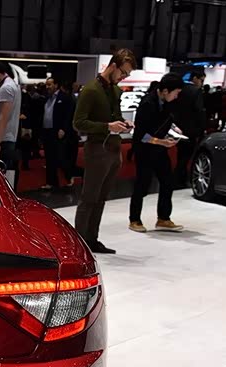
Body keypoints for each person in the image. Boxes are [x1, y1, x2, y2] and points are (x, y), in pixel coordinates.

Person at [72, 48, 137, 254]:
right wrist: (108, 127)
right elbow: (78, 123)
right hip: (97, 150)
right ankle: (80, 245)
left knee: (101, 199)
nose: (124, 77)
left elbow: (114, 116)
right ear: (113, 66)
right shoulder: (90, 90)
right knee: (89, 198)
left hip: (113, 149)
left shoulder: (115, 90)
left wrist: (123, 123)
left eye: (127, 74)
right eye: (123, 72)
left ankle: (92, 239)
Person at [128, 73, 184, 233]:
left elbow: (166, 120)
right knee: (142, 185)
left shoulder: (167, 103)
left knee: (167, 182)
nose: (176, 96)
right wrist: (161, 142)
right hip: (144, 150)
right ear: (165, 91)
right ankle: (134, 220)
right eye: (176, 93)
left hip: (159, 150)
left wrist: (174, 129)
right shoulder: (147, 104)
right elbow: (141, 135)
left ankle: (163, 218)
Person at [171, 70, 206, 189]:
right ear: (195, 78)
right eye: (201, 80)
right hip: (192, 129)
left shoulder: (180, 89)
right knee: (187, 156)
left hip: (177, 127)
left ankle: (180, 177)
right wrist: (201, 129)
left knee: (181, 154)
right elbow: (199, 111)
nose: (202, 83)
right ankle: (178, 178)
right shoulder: (196, 91)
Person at [40, 76, 76, 190]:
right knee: (49, 158)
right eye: (46, 85)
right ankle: (51, 182)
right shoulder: (46, 98)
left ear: (56, 85)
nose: (47, 87)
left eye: (49, 84)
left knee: (60, 156)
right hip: (47, 131)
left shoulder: (64, 98)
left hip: (58, 131)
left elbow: (68, 115)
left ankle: (69, 176)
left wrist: (63, 129)